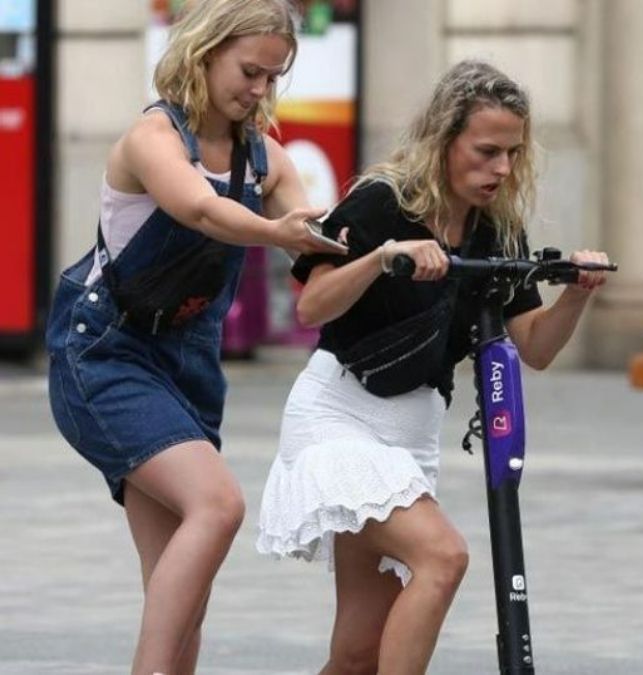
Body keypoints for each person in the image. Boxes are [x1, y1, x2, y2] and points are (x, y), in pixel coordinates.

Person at [255, 60, 610, 675]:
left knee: (358, 655)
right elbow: (312, 306)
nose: (501, 168)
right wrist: (381, 259)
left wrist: (578, 290)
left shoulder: (496, 230)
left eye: (512, 154)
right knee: (443, 557)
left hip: (412, 435)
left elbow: (536, 348)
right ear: (445, 140)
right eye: (487, 151)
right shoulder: (381, 203)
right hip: (339, 416)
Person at [43, 1, 346, 672]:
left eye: (273, 77)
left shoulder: (265, 156)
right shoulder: (153, 137)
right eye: (249, 72)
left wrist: (375, 249)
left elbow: (316, 234)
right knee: (218, 504)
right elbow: (199, 208)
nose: (259, 91)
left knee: (181, 597)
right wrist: (276, 232)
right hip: (104, 355)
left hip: (189, 367)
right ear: (205, 51)